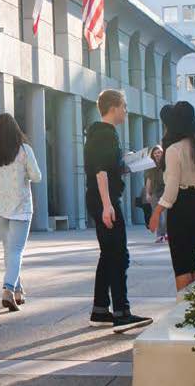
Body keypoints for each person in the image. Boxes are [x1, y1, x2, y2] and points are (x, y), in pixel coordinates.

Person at [86, 89, 153, 333]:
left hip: (101, 198)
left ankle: (101, 309)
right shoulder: (105, 134)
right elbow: (101, 171)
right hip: (105, 199)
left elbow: (106, 168)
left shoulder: (99, 133)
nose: (126, 110)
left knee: (108, 254)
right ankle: (121, 312)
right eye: (124, 106)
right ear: (113, 107)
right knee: (118, 255)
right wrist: (107, 205)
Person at [0, 113, 43, 312]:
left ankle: (17, 290)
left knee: (9, 250)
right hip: (21, 208)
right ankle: (8, 289)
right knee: (16, 251)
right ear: (16, 130)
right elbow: (37, 176)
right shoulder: (24, 150)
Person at [147, 102, 195, 292]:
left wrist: (156, 212)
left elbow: (172, 189)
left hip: (182, 207)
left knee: (182, 265)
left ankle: (183, 315)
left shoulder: (174, 150)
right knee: (192, 262)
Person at [143, 146, 167, 243]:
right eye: (155, 153)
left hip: (166, 191)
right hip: (154, 192)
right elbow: (148, 180)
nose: (157, 154)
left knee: (166, 214)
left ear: (162, 153)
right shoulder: (150, 166)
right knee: (156, 214)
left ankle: (166, 233)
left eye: (159, 152)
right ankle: (159, 235)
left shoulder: (166, 164)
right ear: (153, 155)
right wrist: (147, 193)